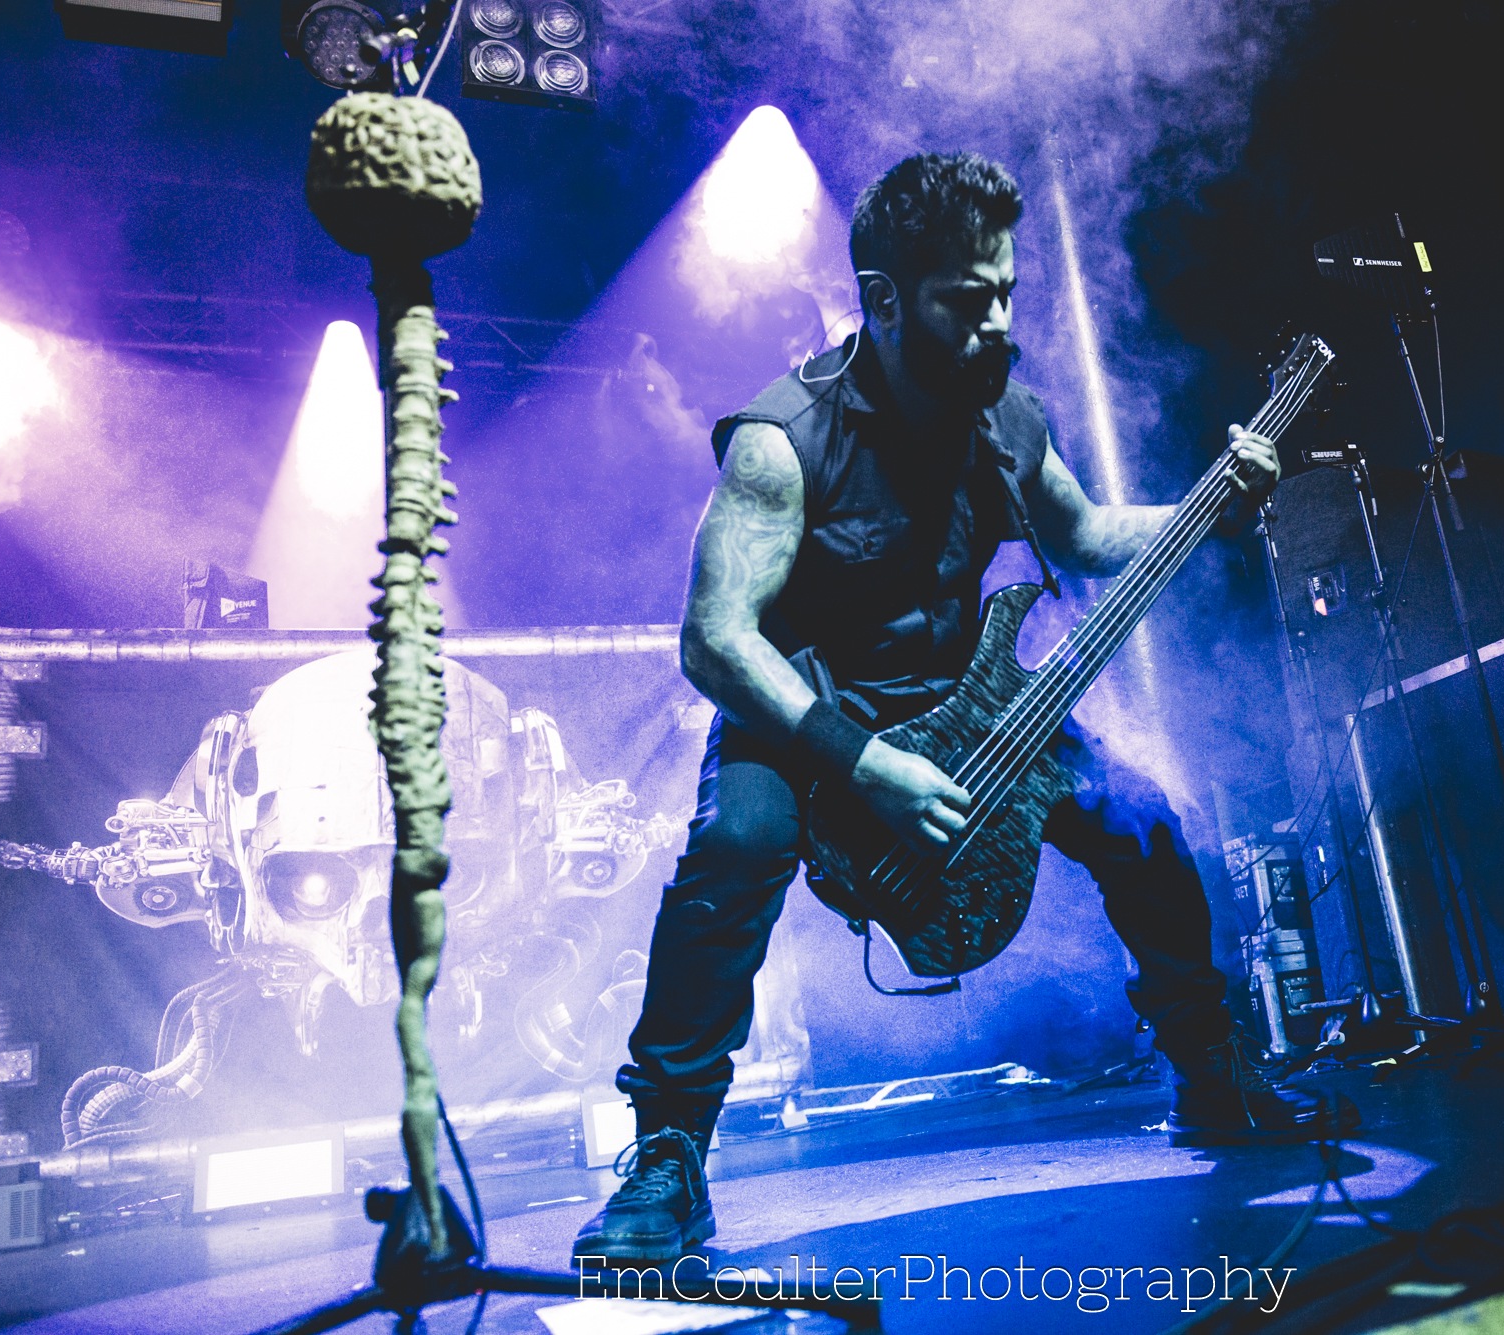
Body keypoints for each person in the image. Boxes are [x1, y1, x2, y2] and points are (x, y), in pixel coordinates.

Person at [572, 151, 1357, 1265]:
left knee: (1142, 821)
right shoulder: (782, 441)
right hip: (805, 710)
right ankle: (668, 1150)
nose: (996, 324)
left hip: (964, 700)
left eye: (1005, 295)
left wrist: (1209, 503)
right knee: (735, 846)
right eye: (965, 300)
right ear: (884, 300)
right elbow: (715, 640)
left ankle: (1212, 1076)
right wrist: (861, 761)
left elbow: (1086, 535)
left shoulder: (1007, 422)